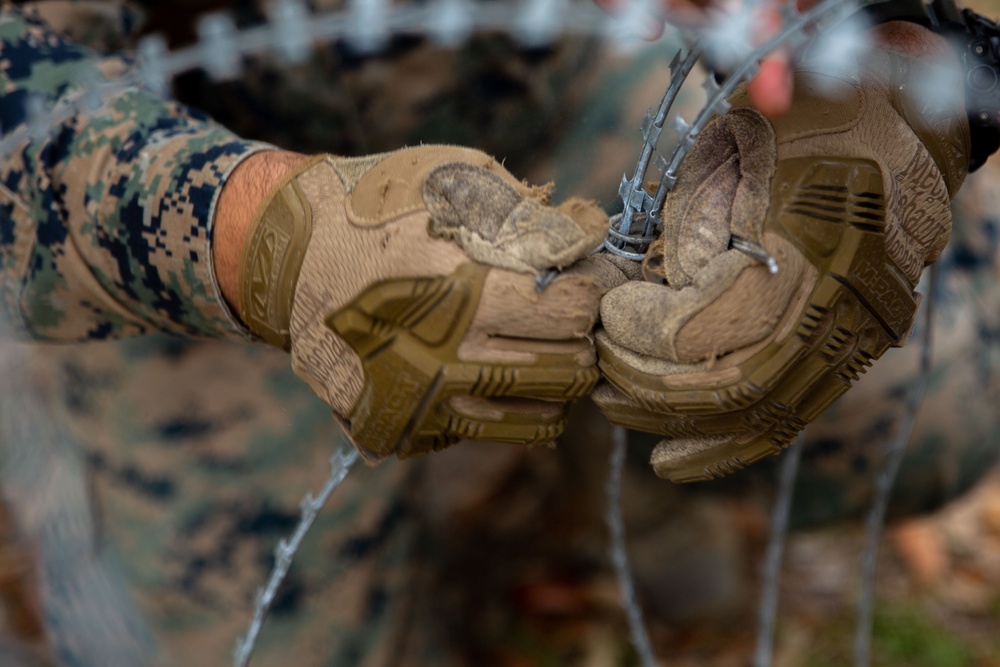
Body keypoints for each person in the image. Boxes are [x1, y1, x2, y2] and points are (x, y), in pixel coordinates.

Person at [0, 0, 997, 665]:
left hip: (569, 79)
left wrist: (897, 79)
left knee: (929, 406)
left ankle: (603, 471)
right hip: (194, 182)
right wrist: (261, 241)